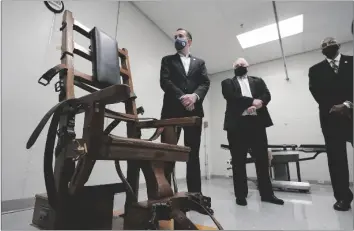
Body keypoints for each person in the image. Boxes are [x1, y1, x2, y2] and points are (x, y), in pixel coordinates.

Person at [221, 58, 284, 206]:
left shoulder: (258, 81)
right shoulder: (227, 82)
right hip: (236, 126)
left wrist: (259, 104)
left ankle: (267, 195)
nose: (240, 66)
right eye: (237, 65)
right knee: (238, 162)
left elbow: (267, 95)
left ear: (248, 66)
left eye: (243, 64)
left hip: (257, 124)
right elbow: (231, 97)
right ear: (233, 67)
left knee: (262, 161)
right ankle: (241, 196)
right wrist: (251, 102)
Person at [159, 28, 210, 193]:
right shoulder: (167, 60)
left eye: (180, 36)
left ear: (189, 41)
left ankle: (195, 195)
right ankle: (164, 195)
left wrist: (194, 97)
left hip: (194, 112)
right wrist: (183, 97)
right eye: (175, 36)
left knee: (192, 154)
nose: (176, 39)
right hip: (171, 112)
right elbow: (165, 82)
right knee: (168, 153)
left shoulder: (200, 63)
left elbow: (205, 83)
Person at [308, 37, 353, 211]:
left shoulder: (352, 62)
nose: (327, 46)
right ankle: (343, 197)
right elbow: (316, 92)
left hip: (352, 112)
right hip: (331, 118)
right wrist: (335, 107)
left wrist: (348, 104)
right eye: (324, 45)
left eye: (331, 44)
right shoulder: (315, 70)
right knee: (336, 160)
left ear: (339, 46)